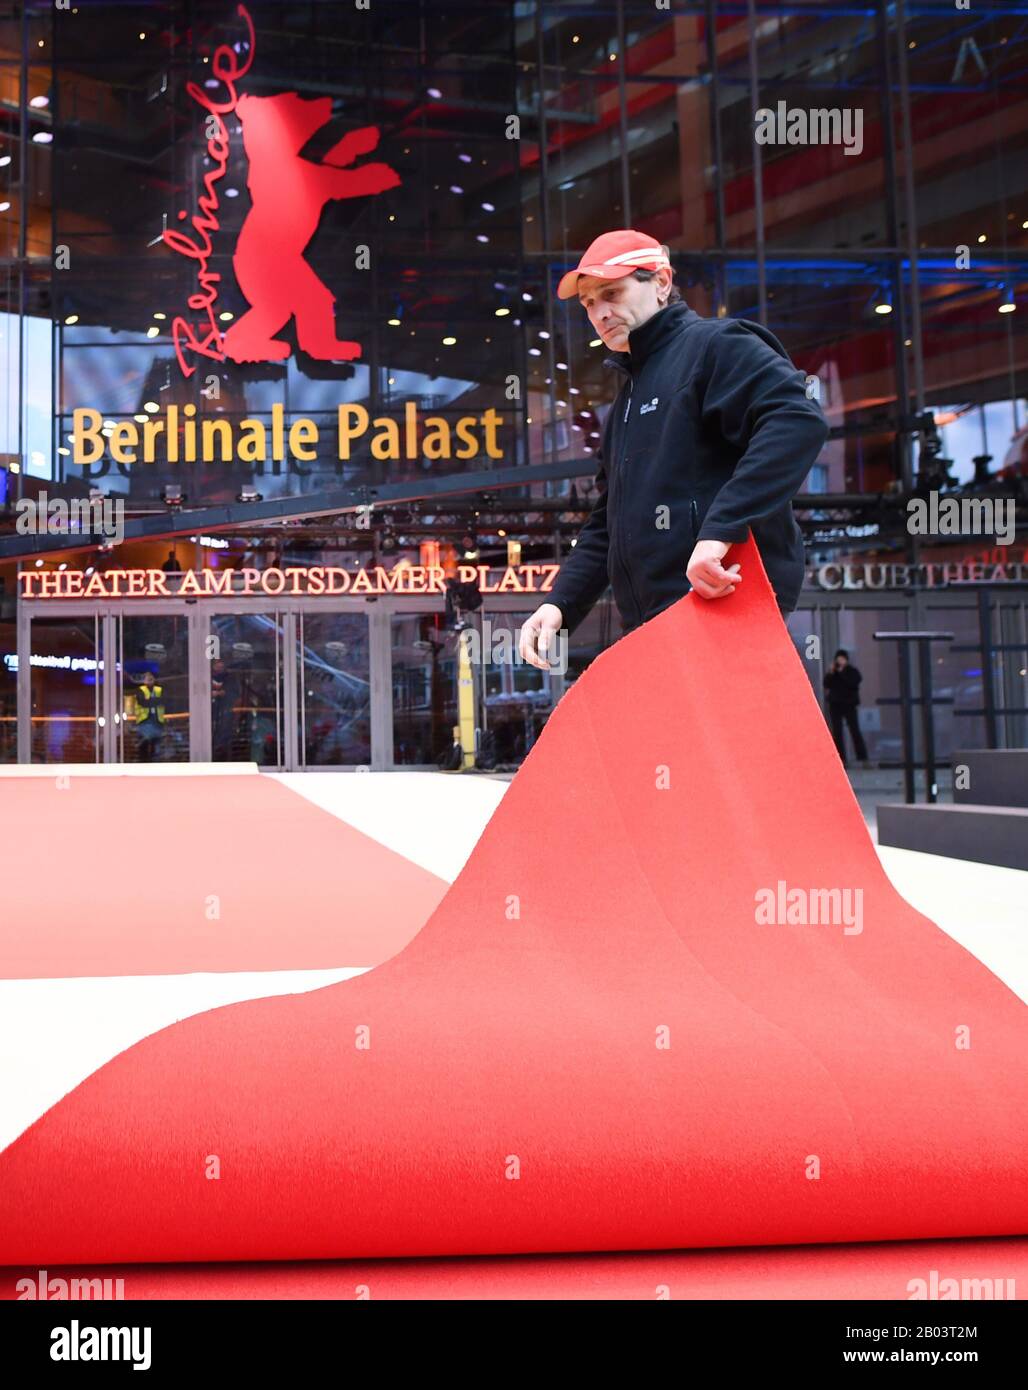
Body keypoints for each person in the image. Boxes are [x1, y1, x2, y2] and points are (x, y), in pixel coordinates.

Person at [518, 228, 829, 669]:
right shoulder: (627, 398)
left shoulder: (717, 346)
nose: (600, 312)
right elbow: (607, 523)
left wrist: (719, 532)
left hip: (726, 609)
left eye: (612, 292)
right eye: (589, 303)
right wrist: (560, 604)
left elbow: (797, 420)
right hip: (660, 627)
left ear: (662, 281)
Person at [823, 649, 870, 768]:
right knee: (837, 732)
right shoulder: (833, 672)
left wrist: (842, 672)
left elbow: (854, 682)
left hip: (849, 704)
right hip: (835, 705)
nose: (840, 661)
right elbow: (826, 684)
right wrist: (830, 672)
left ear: (846, 660)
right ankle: (841, 759)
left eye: (842, 659)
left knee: (855, 731)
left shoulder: (852, 671)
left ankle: (863, 758)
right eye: (838, 659)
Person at [132, 670, 166, 762]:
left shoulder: (159, 690)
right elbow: (143, 703)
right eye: (147, 677)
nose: (149, 678)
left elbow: (163, 701)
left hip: (157, 722)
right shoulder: (140, 690)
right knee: (144, 749)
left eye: (151, 677)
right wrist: (155, 701)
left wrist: (151, 701)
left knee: (156, 750)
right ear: (144, 680)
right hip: (144, 723)